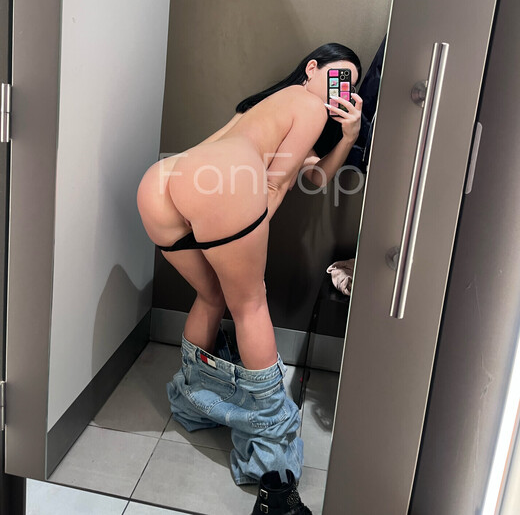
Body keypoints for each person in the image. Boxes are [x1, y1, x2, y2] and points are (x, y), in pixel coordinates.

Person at [136, 42, 362, 514]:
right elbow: (276, 183)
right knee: (250, 302)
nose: (342, 90)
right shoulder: (308, 106)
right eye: (339, 75)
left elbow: (314, 176)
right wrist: (249, 229)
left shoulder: (260, 108)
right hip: (226, 181)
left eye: (351, 86)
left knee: (211, 295)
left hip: (163, 180)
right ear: (312, 68)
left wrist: (346, 136)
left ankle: (193, 402)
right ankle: (273, 460)